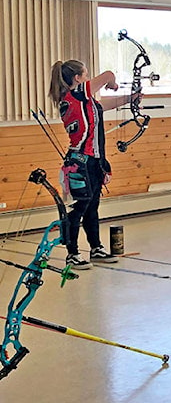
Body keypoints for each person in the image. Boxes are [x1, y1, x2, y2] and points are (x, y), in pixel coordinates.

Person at [48, 60, 132, 270]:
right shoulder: (73, 96)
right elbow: (108, 75)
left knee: (92, 206)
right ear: (77, 78)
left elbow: (103, 106)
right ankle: (72, 254)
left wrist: (132, 98)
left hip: (93, 161)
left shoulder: (85, 102)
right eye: (85, 75)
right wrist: (111, 81)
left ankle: (96, 249)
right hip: (80, 161)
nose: (88, 79)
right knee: (79, 208)